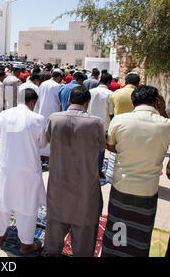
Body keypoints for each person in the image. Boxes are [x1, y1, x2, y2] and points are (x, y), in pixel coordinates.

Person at [101, 86, 170, 257]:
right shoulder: (167, 125)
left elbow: (111, 146)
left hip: (122, 186)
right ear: (156, 102)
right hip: (147, 190)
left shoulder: (120, 121)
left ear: (132, 103)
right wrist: (163, 112)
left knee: (118, 227)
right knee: (140, 233)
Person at [42, 87, 106, 257]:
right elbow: (101, 147)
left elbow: (46, 139)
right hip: (84, 184)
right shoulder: (96, 122)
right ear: (87, 103)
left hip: (58, 180)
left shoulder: (54, 118)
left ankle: (51, 252)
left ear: (69, 101)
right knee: (84, 224)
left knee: (55, 221)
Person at [0, 89, 47, 254]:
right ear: (32, 102)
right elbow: (43, 143)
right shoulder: (38, 119)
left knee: (2, 203)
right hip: (27, 171)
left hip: (5, 168)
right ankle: (26, 244)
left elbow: (0, 134)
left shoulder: (3, 115)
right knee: (27, 208)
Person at [88, 73, 115, 182]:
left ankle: (88, 169)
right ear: (109, 82)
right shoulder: (110, 94)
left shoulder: (90, 92)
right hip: (103, 125)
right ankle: (98, 171)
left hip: (88, 124)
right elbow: (111, 112)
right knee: (100, 150)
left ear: (100, 80)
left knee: (89, 148)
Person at [38, 69, 63, 160]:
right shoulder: (58, 86)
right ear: (59, 77)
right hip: (53, 112)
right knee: (51, 133)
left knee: (43, 133)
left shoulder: (43, 84)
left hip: (42, 111)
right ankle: (48, 156)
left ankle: (41, 154)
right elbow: (60, 101)